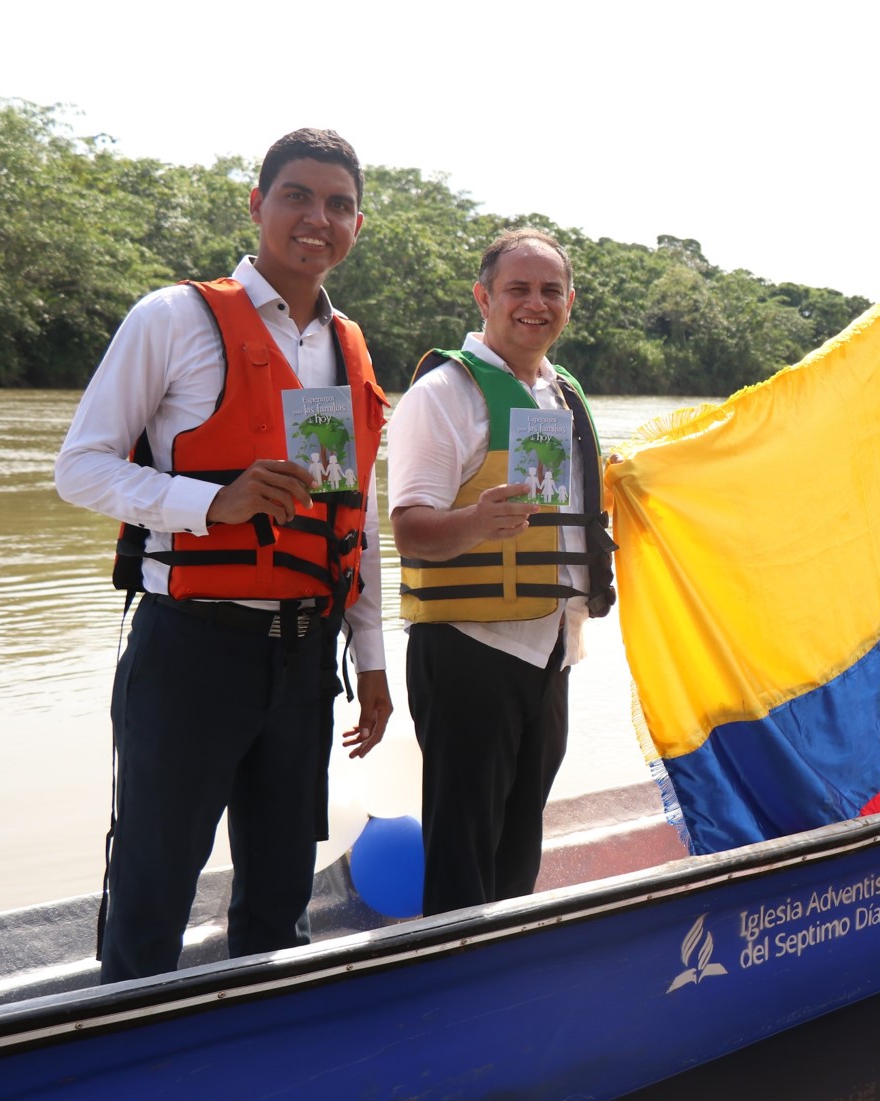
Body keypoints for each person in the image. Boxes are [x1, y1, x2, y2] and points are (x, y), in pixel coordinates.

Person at [53, 128, 393, 983]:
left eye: (339, 204)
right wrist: (212, 503)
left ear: (356, 224)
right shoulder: (172, 318)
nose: (318, 218)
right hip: (192, 647)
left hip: (307, 655)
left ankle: (269, 1045)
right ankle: (129, 1047)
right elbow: (80, 467)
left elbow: (354, 521)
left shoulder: (347, 345)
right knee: (154, 888)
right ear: (256, 204)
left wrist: (372, 660)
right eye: (297, 196)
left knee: (281, 899)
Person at [388, 229, 617, 916]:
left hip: (551, 650)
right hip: (470, 649)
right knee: (462, 854)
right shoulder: (442, 394)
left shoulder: (562, 394)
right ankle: (450, 972)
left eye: (551, 290)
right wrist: (476, 522)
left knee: (519, 849)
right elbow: (410, 531)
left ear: (570, 303)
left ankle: (506, 965)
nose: (535, 303)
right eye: (518, 288)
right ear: (484, 297)